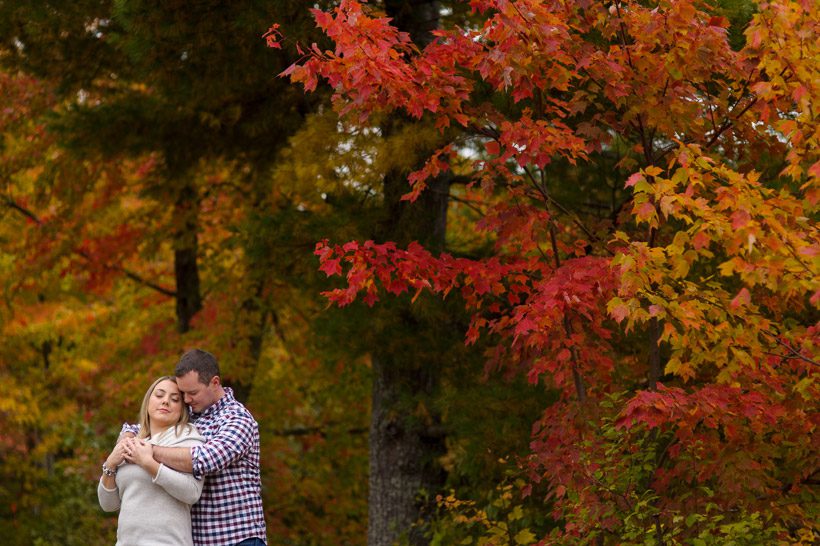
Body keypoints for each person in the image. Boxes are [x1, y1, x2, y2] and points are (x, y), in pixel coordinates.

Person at [121, 349, 267, 546]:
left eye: (193, 393)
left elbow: (203, 460)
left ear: (214, 383)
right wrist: (128, 438)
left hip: (237, 538)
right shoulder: (192, 413)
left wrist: (147, 452)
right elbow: (141, 426)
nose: (187, 400)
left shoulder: (238, 419)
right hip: (198, 541)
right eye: (183, 394)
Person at [98, 376, 205, 546]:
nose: (165, 402)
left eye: (174, 399)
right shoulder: (132, 440)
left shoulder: (188, 437)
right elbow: (108, 504)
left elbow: (192, 493)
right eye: (159, 395)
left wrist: (149, 464)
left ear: (182, 409)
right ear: (148, 402)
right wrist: (110, 463)